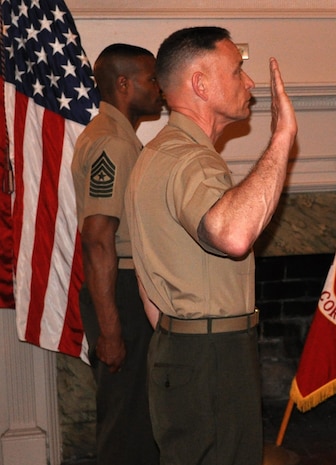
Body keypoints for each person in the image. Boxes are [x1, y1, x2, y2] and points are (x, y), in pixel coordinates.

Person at [124, 26, 297, 465]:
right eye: (238, 70)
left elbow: (149, 282)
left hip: (181, 348)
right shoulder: (189, 159)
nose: (250, 82)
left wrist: (179, 337)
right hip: (210, 357)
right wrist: (282, 138)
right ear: (200, 84)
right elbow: (234, 235)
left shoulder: (156, 154)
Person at [71, 43, 163, 465]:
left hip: (123, 288)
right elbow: (97, 237)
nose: (159, 87)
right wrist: (110, 329)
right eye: (151, 78)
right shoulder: (113, 145)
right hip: (120, 291)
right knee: (128, 424)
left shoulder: (118, 138)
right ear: (124, 84)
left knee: (135, 416)